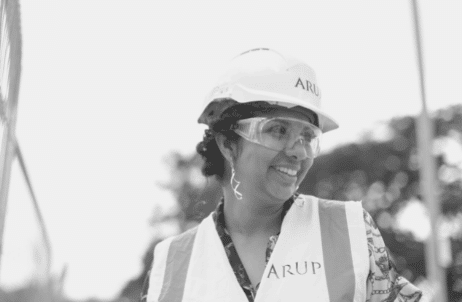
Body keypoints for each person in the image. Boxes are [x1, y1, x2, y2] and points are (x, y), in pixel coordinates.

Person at [141, 48, 423, 302]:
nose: (299, 151)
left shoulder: (351, 232)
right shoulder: (169, 267)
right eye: (277, 130)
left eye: (307, 136)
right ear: (227, 143)